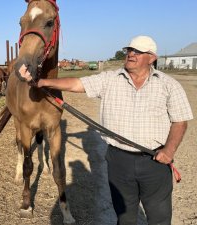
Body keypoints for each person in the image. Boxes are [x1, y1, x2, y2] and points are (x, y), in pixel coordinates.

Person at [19, 35, 193, 225]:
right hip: (118, 161)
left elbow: (180, 121)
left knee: (159, 218)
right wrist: (43, 82)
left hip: (154, 162)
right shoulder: (111, 79)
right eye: (129, 50)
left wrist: (169, 150)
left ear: (151, 57)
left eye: (138, 52)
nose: (131, 54)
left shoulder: (169, 85)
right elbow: (78, 84)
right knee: (125, 218)